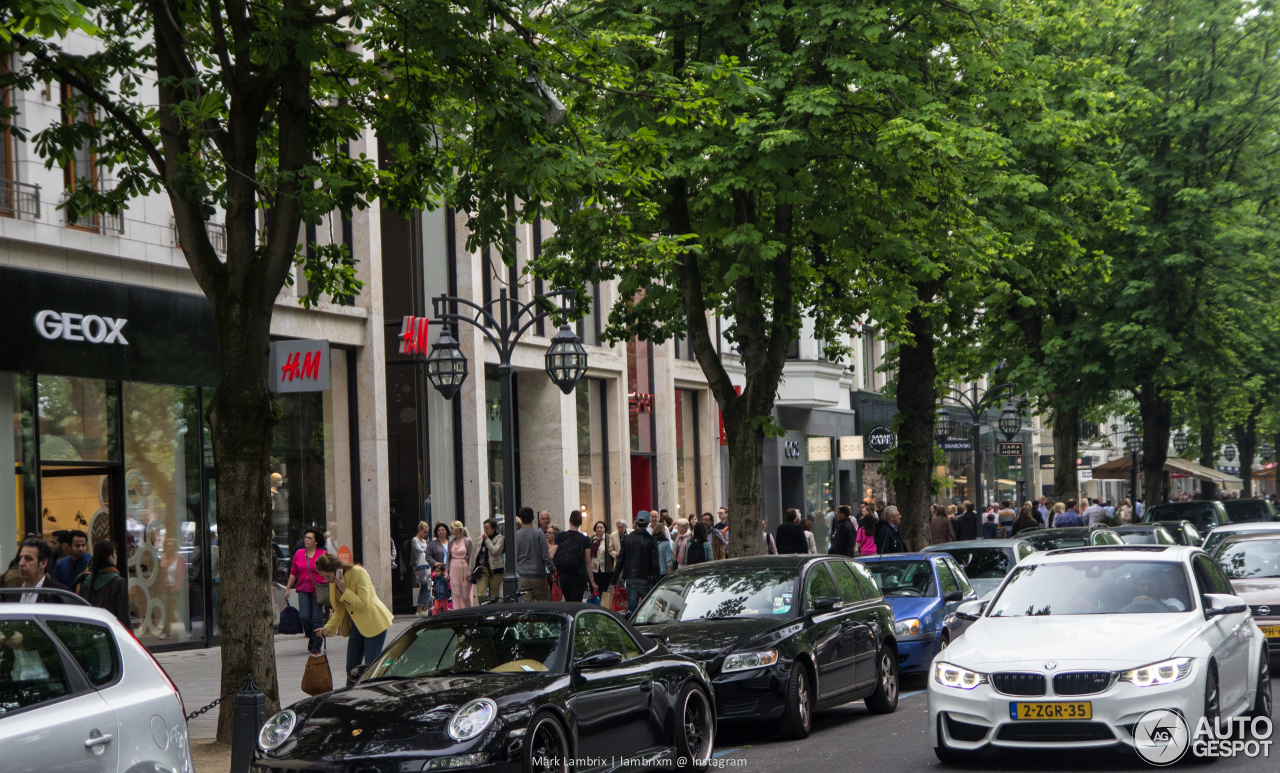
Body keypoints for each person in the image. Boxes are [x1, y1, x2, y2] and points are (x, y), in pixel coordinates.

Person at [315, 553, 393, 685]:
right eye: (323, 576)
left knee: (370, 668)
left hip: (374, 622)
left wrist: (344, 589)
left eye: (327, 576)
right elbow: (340, 609)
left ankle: (370, 696)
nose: (326, 579)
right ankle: (349, 697)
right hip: (356, 624)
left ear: (335, 568)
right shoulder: (335, 580)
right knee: (351, 667)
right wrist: (328, 628)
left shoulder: (358, 572)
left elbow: (364, 604)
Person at [284, 527, 328, 652]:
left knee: (316, 618)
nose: (306, 540)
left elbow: (328, 571)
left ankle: (316, 645)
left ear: (316, 541)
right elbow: (294, 572)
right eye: (306, 538)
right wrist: (287, 588)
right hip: (303, 588)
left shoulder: (322, 554)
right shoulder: (299, 553)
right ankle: (311, 636)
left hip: (318, 589)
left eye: (310, 538)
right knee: (304, 616)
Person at [74, 540, 130, 627]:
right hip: (110, 632)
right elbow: (124, 617)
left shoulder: (83, 581)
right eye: (114, 553)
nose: (116, 556)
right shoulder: (118, 582)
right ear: (109, 557)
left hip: (89, 632)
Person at [613, 510, 661, 612]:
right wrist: (657, 580)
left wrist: (614, 578)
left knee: (632, 608)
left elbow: (620, 560)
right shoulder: (651, 540)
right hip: (646, 578)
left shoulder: (627, 539)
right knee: (648, 608)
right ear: (648, 523)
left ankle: (631, 626)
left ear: (636, 522)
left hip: (631, 577)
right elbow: (655, 562)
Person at [7, 538, 70, 604]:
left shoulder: (59, 593)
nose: (21, 563)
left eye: (28, 559)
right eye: (20, 558)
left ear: (43, 563)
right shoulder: (15, 592)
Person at [554, 510, 596, 602]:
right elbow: (588, 561)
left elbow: (551, 554)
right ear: (581, 523)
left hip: (564, 576)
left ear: (569, 520)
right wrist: (592, 582)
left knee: (568, 602)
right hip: (578, 576)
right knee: (576, 604)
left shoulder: (560, 536)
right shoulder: (585, 539)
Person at [515, 507, 554, 601]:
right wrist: (552, 570)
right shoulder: (539, 533)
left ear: (521, 519)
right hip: (538, 575)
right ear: (533, 518)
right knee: (544, 606)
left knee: (528, 607)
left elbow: (514, 556)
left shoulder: (516, 535)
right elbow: (545, 555)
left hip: (522, 575)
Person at [474, 518, 505, 604]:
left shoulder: (500, 538)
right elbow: (475, 555)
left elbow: (495, 551)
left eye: (487, 528)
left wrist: (487, 540)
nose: (485, 530)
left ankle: (493, 613)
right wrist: (470, 571)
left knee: (494, 596)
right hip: (483, 569)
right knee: (481, 594)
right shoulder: (480, 539)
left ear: (494, 529)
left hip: (495, 570)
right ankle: (483, 611)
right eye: (484, 528)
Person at [447, 521, 477, 609]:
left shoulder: (468, 541)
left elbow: (472, 557)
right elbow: (448, 558)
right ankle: (456, 613)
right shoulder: (451, 542)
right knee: (455, 594)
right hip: (453, 567)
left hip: (464, 568)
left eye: (452, 528)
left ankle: (467, 611)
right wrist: (446, 571)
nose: (450, 530)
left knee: (465, 595)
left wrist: (471, 572)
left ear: (458, 529)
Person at [410, 521, 431, 615]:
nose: (425, 534)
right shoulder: (415, 539)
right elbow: (419, 550)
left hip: (425, 564)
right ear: (420, 530)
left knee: (424, 587)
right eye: (424, 532)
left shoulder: (424, 540)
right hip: (420, 566)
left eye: (427, 532)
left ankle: (420, 608)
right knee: (427, 586)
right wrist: (429, 549)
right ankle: (424, 608)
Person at [590, 521, 611, 594]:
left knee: (603, 590)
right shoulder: (592, 539)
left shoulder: (608, 538)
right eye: (597, 527)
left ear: (604, 529)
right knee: (593, 590)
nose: (599, 529)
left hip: (604, 569)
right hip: (593, 568)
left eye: (601, 527)